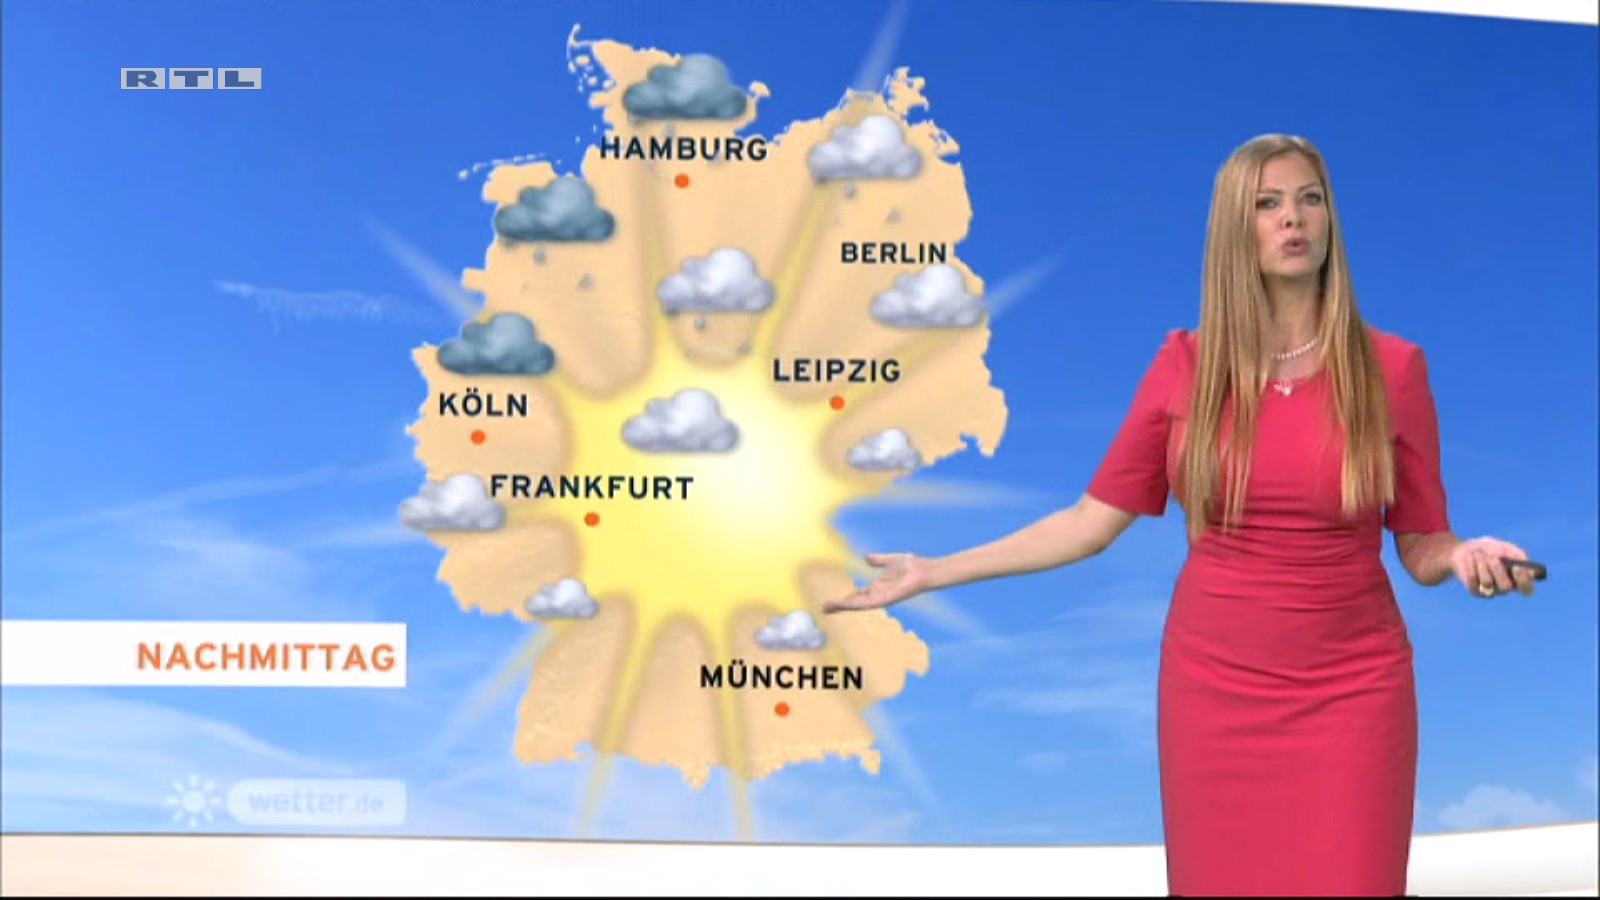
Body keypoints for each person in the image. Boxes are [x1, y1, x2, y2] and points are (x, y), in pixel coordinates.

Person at [822, 134, 1542, 896]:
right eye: (1268, 204)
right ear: (1236, 228)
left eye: (1310, 199)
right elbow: (1087, 523)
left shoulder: (1393, 369)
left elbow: (1422, 541)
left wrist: (1463, 557)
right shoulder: (1185, 368)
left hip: (1353, 693)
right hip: (1215, 695)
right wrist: (933, 571)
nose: (1293, 219)